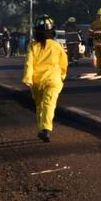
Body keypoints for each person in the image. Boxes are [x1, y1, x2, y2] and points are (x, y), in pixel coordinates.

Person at [22, 15, 67, 143]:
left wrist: (28, 78)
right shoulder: (57, 46)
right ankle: (45, 129)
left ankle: (43, 129)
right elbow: (64, 63)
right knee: (49, 104)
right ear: (52, 31)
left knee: (40, 105)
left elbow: (29, 63)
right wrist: (62, 76)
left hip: (37, 81)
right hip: (54, 80)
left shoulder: (32, 46)